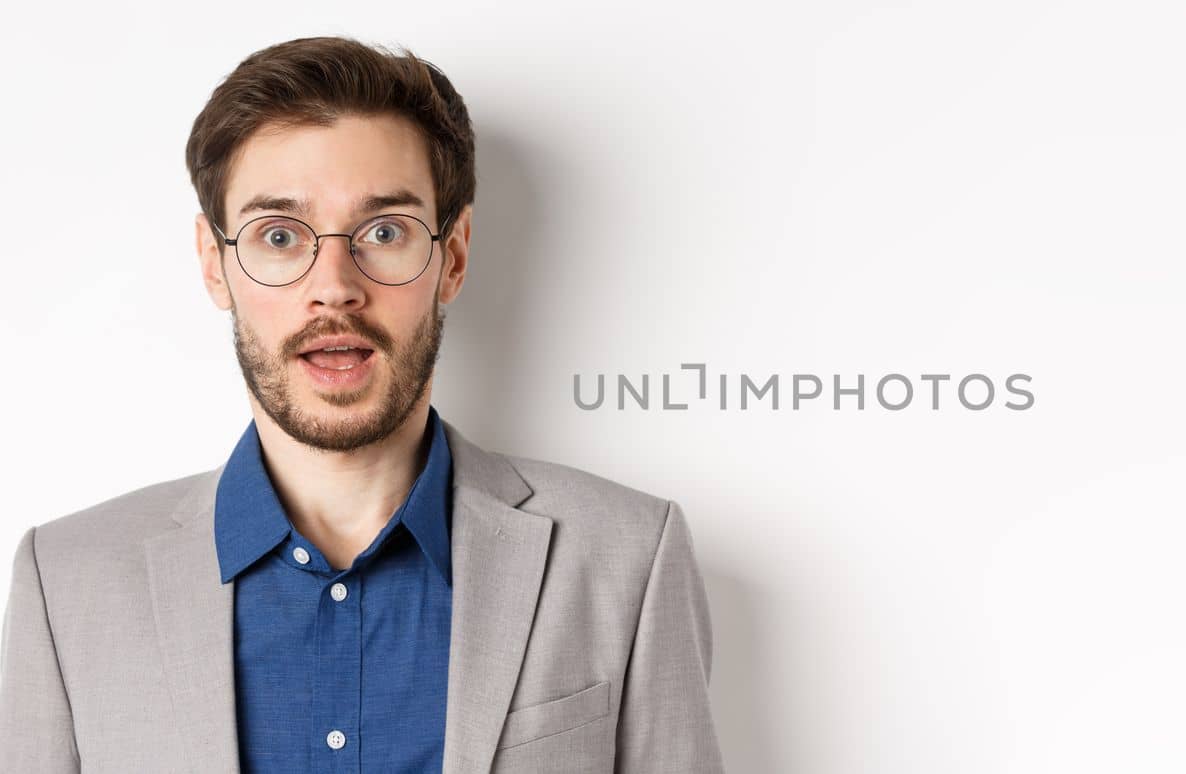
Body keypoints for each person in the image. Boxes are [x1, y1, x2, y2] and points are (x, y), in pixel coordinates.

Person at [0, 35, 724, 773]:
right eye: (279, 235)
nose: (335, 285)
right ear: (215, 265)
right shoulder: (66, 584)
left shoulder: (627, 557)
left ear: (455, 255)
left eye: (385, 232)